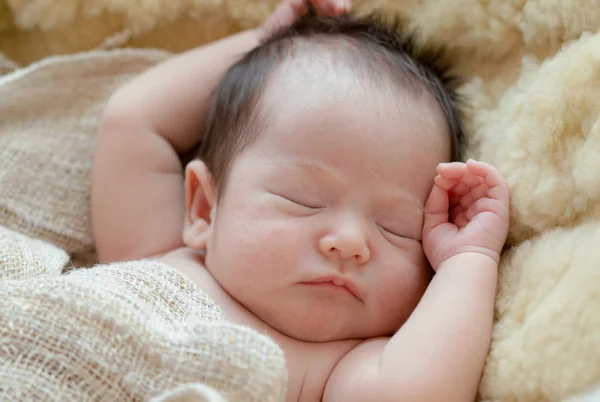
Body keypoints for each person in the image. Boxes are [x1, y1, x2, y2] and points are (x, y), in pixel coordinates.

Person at [91, 0, 510, 400]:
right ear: (204, 208)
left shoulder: (335, 371)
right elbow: (133, 121)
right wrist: (262, 39)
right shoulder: (156, 254)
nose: (350, 242)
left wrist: (467, 260)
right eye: (302, 199)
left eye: (396, 228)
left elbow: (415, 394)